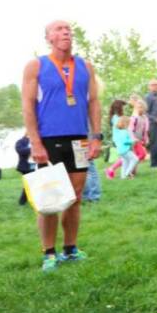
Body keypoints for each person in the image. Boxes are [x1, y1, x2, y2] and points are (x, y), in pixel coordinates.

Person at [22, 19, 102, 273]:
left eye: (68, 29)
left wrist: (96, 136)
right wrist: (35, 142)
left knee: (75, 198)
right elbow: (27, 104)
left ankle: (70, 249)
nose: (66, 32)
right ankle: (48, 253)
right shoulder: (36, 66)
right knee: (50, 199)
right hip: (48, 140)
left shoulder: (85, 66)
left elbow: (94, 102)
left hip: (78, 138)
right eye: (59, 29)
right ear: (49, 38)